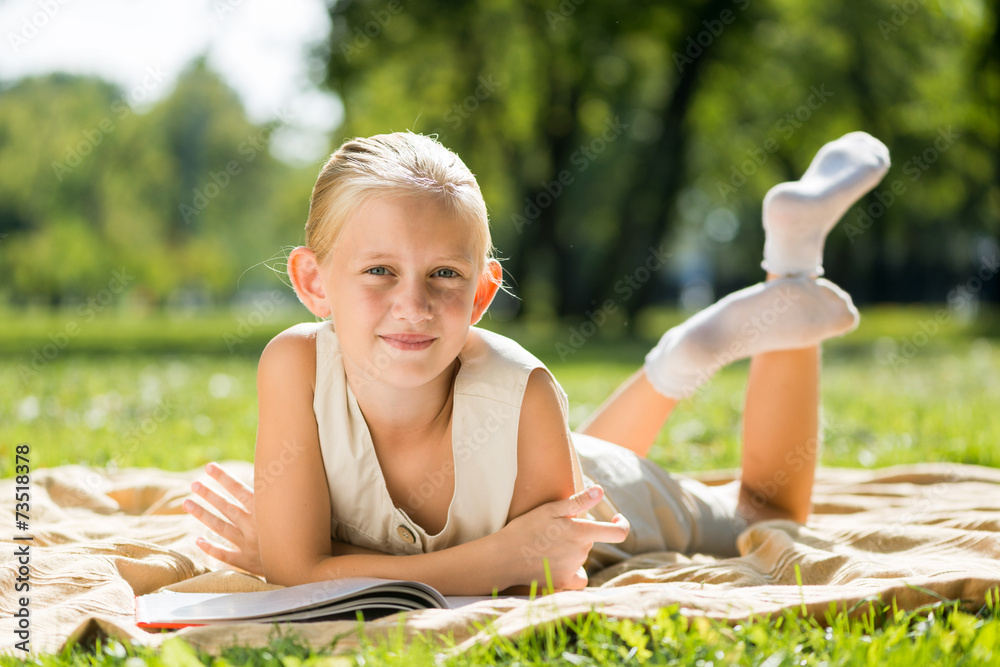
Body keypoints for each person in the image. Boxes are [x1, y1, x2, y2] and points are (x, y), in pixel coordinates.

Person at [183, 130, 890, 595]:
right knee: (589, 452)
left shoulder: (522, 389)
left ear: (483, 290)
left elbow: (546, 574)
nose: (413, 305)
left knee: (765, 511)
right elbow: (307, 568)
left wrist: (310, 557)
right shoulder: (293, 364)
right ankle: (681, 358)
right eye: (377, 271)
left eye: (443, 276)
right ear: (312, 282)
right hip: (539, 463)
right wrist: (309, 560)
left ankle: (790, 260)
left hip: (603, 493)